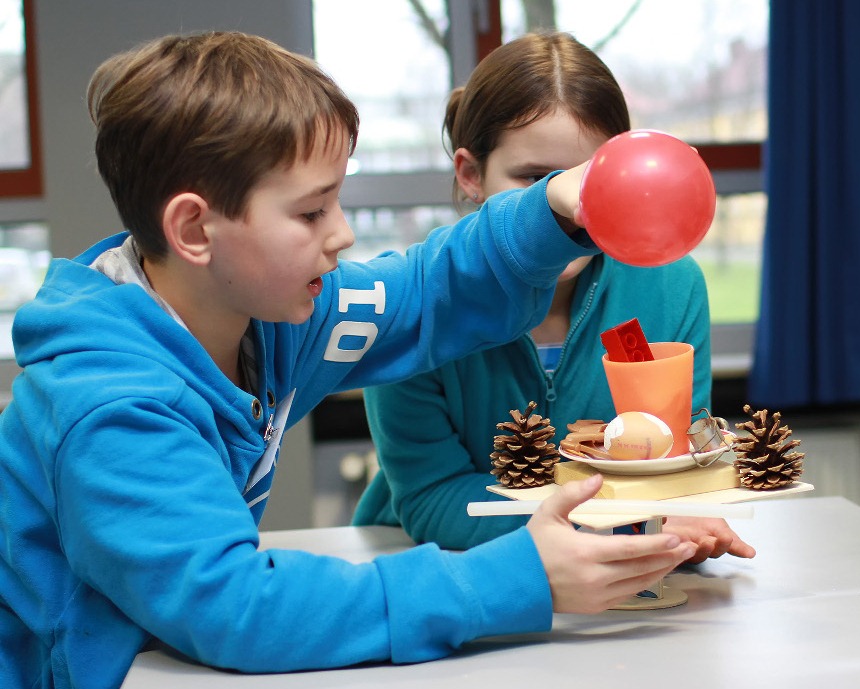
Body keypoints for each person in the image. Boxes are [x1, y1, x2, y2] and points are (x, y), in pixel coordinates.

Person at [0, 31, 699, 688]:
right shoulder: (111, 408)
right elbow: (239, 606)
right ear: (194, 229)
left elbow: (428, 290)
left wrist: (549, 205)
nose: (341, 235)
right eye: (310, 213)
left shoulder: (280, 319)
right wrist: (516, 579)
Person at [354, 31, 756, 562]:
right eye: (535, 179)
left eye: (589, 179)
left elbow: (680, 464)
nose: (567, 207)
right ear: (470, 174)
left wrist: (690, 505)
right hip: (442, 569)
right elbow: (432, 499)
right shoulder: (419, 303)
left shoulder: (673, 286)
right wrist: (621, 527)